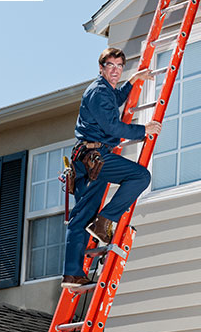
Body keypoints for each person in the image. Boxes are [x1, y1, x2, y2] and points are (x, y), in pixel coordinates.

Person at [61, 47, 162, 288]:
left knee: (81, 216)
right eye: (111, 66)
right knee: (140, 177)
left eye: (119, 66)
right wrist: (143, 130)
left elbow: (114, 100)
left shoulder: (103, 90)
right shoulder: (98, 92)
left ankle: (72, 274)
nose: (115, 71)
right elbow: (113, 127)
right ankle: (105, 219)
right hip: (94, 157)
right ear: (101, 67)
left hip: (85, 158)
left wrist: (132, 82)